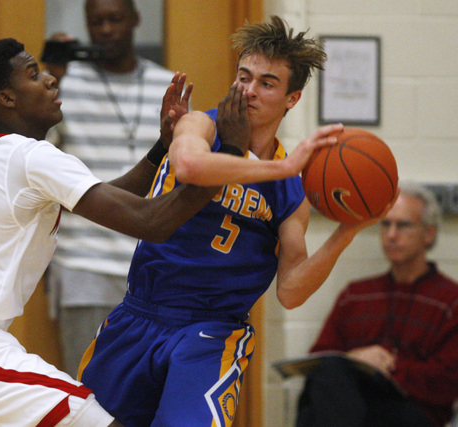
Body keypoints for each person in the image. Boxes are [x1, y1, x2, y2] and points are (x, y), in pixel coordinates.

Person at [0, 38, 223, 427]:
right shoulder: (30, 157)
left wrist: (161, 149)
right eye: (33, 74)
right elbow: (152, 223)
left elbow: (110, 196)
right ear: (7, 98)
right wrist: (223, 163)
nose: (50, 80)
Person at [78, 16, 393, 426]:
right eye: (244, 76)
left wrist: (347, 231)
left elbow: (292, 291)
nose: (248, 90)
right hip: (140, 313)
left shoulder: (291, 192)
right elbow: (189, 164)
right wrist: (280, 169)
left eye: (266, 83)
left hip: (210, 331)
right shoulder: (203, 125)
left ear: (292, 99)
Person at [42, 0, 178, 377]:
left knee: (148, 391)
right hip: (84, 264)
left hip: (153, 264)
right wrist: (52, 77)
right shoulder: (64, 85)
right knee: (87, 390)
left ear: (135, 19)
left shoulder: (163, 86)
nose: (105, 30)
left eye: (114, 19)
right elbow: (38, 159)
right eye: (96, 22)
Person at [296, 182, 458, 427]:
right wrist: (356, 359)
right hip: (351, 405)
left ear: (429, 233)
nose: (391, 235)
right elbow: (319, 358)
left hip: (412, 412)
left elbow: (446, 383)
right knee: (323, 379)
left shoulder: (450, 301)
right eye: (385, 224)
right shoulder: (356, 294)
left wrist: (388, 366)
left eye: (403, 225)